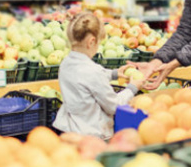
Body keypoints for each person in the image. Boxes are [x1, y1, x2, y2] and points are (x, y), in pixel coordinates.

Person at [53, 12, 146, 140]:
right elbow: (114, 106)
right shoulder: (93, 72)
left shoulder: (66, 63)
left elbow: (84, 77)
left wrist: (114, 74)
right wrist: (132, 88)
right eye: (99, 43)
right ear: (91, 42)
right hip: (92, 135)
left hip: (69, 130)